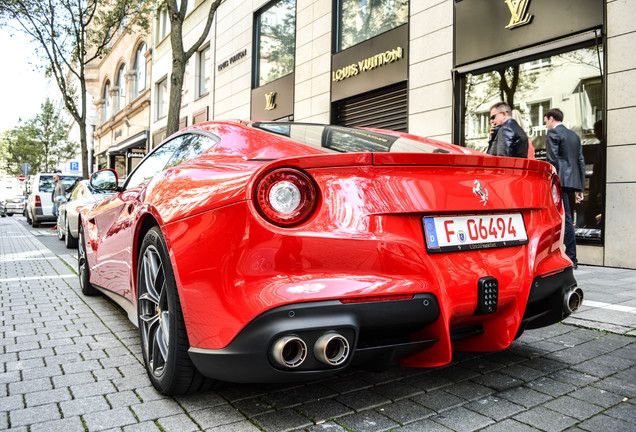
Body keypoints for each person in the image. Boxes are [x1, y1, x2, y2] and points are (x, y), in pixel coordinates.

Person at [544, 108, 585, 268]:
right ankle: (569, 256)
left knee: (564, 218)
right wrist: (580, 187)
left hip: (559, 181)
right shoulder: (574, 135)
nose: (546, 124)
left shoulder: (553, 134)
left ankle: (571, 257)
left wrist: (550, 183)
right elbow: (580, 160)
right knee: (567, 218)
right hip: (572, 181)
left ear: (551, 118)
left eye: (546, 120)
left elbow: (552, 160)